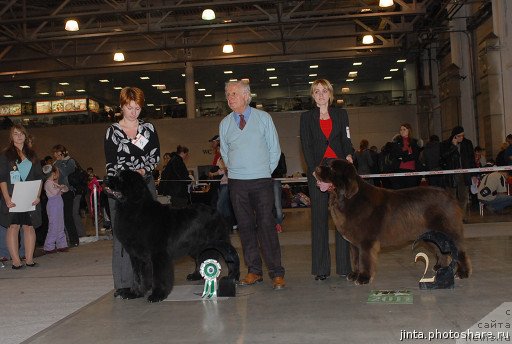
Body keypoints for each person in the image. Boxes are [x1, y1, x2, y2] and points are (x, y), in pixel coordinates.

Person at [219, 80, 285, 290]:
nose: (230, 98)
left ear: (247, 96)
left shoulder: (264, 118)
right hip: (237, 183)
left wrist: (264, 171)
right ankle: (254, 271)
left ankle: (277, 272)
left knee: (266, 225)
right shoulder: (225, 124)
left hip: (261, 180)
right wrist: (235, 171)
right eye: (228, 94)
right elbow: (225, 153)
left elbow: (275, 149)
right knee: (245, 227)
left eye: (234, 94)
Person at [104, 86, 160, 298]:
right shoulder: (112, 131)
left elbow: (155, 156)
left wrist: (144, 169)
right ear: (122, 107)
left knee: (151, 235)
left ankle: (152, 281)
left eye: (137, 108)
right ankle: (123, 283)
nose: (134, 112)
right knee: (123, 237)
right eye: (129, 108)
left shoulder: (148, 129)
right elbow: (110, 163)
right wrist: (113, 187)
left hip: (145, 186)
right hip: (122, 191)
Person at [300, 79, 354, 281]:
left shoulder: (341, 114)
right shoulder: (306, 118)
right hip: (318, 168)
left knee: (341, 219)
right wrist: (315, 173)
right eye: (316, 91)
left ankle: (344, 266)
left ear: (330, 94)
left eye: (324, 91)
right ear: (312, 95)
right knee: (319, 219)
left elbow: (347, 141)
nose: (321, 94)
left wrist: (349, 156)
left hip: (338, 169)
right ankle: (321, 269)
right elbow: (306, 146)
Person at [0, 124, 43, 269]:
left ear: (25, 135)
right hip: (13, 196)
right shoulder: (5, 155)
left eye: (21, 133)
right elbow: (2, 179)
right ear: (11, 137)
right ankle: (16, 261)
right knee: (13, 227)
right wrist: (7, 198)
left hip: (30, 196)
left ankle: (29, 259)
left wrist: (38, 196)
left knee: (29, 227)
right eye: (15, 134)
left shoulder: (32, 155)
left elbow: (39, 178)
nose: (19, 136)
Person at [441, 126, 476, 218]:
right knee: (451, 197)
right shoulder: (446, 144)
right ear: (454, 136)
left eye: (463, 135)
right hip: (451, 175)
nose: (462, 137)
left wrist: (474, 174)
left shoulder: (468, 143)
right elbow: (443, 158)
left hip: (464, 174)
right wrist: (453, 146)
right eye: (459, 136)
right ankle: (452, 218)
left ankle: (461, 217)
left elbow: (471, 159)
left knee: (463, 197)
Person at [52, 144, 79, 247]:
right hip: (58, 192)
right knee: (60, 217)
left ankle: (74, 240)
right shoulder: (56, 162)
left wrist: (57, 164)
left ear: (61, 152)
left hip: (68, 191)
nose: (54, 154)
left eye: (56, 152)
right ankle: (64, 240)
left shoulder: (70, 161)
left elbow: (64, 173)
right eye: (54, 152)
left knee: (68, 216)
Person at [43, 165, 69, 253]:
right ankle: (48, 246)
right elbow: (54, 192)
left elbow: (63, 190)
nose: (58, 174)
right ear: (53, 173)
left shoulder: (53, 183)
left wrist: (62, 187)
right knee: (53, 225)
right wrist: (60, 187)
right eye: (57, 172)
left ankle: (61, 244)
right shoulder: (48, 183)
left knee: (60, 224)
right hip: (53, 205)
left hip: (58, 204)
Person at [390, 123, 421, 189]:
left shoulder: (415, 142)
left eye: (404, 129)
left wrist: (403, 157)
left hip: (412, 170)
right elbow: (396, 155)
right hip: (399, 170)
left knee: (411, 192)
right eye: (401, 130)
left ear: (409, 130)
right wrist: (408, 154)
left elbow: (415, 156)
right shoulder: (396, 143)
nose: (402, 131)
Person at [271, 152, 287, 232]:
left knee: (277, 204)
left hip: (275, 180)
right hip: (263, 181)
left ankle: (278, 223)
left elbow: (284, 170)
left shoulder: (280, 154)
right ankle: (274, 224)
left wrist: (271, 172)